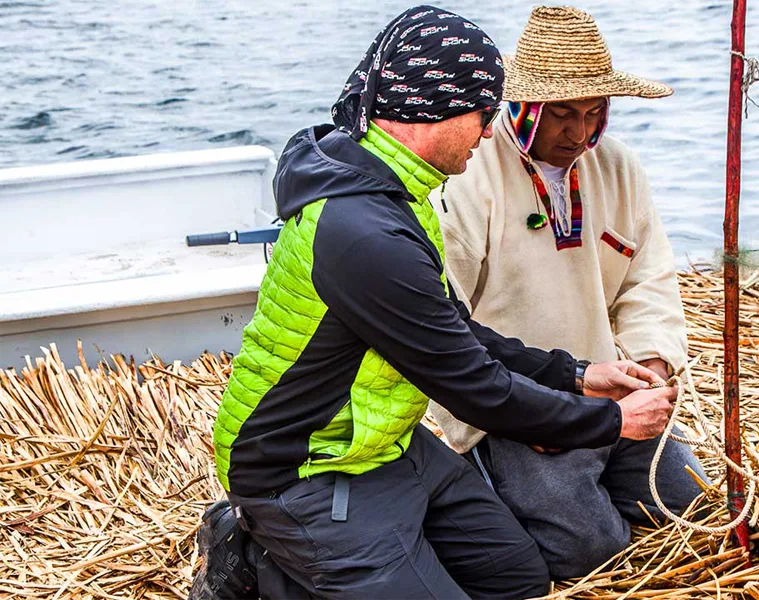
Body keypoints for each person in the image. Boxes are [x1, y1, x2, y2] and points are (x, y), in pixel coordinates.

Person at [189, 6, 679, 599]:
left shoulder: (393, 188)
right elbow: (470, 385)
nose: (487, 129)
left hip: (386, 445)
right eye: (482, 112)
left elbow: (456, 328)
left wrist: (578, 374)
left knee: (517, 579)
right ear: (432, 109)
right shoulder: (365, 233)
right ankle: (253, 555)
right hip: (306, 467)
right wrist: (610, 421)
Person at [427, 6, 708, 580]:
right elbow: (442, 326)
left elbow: (647, 279)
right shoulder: (469, 176)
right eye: (560, 115)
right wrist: (535, 417)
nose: (578, 134)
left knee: (694, 511)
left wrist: (651, 368)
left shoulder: (619, 167)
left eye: (594, 113)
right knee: (587, 552)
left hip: (609, 396)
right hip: (512, 410)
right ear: (519, 105)